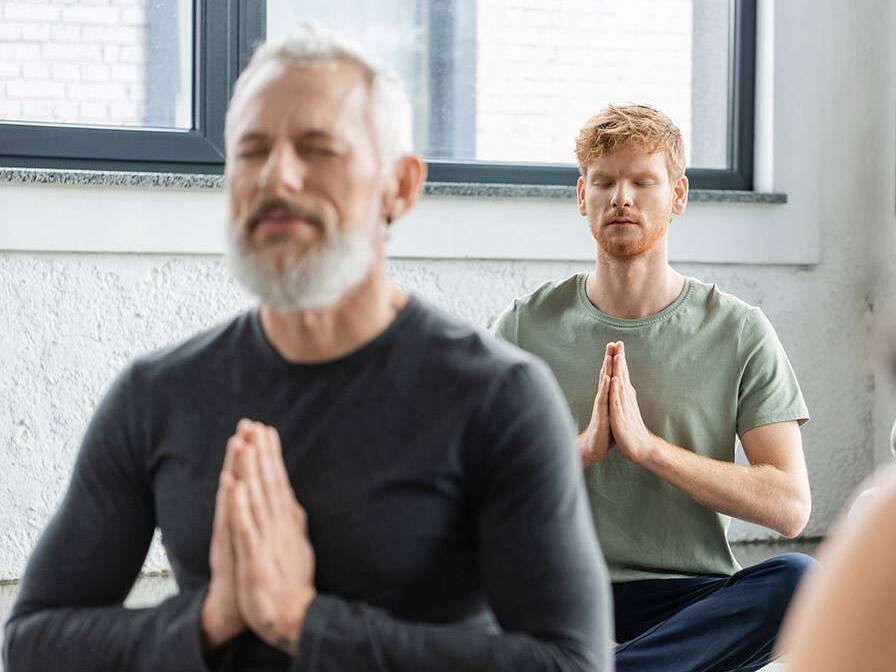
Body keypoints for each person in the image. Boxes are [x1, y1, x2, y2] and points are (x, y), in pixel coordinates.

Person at [3, 26, 613, 672]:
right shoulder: (156, 394)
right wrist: (212, 618)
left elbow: (572, 663)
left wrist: (302, 621)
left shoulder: (500, 399)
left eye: (317, 149)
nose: (278, 176)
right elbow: (32, 642)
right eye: (252, 150)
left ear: (400, 188)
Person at [492, 103, 813, 672]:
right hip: (561, 590)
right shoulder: (523, 326)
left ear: (679, 195)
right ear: (580, 195)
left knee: (799, 582)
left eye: (643, 181)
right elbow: (476, 488)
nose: (622, 198)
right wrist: (585, 449)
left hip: (690, 600)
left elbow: (790, 508)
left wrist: (650, 451)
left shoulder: (739, 330)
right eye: (605, 182)